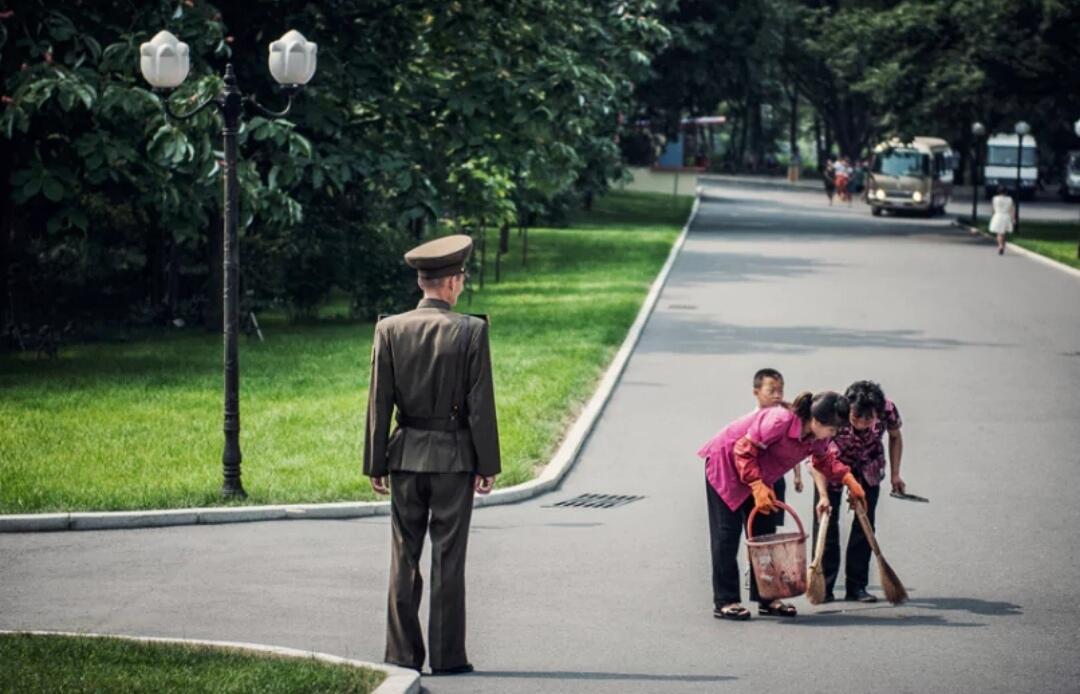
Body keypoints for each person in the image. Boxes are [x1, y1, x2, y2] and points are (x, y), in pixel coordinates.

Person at [364, 234, 501, 676]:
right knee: (448, 558)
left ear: (423, 282)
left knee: (404, 556)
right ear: (452, 282)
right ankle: (447, 657)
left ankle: (401, 656)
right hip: (454, 460)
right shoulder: (472, 331)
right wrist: (487, 465)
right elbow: (481, 405)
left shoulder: (389, 329)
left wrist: (374, 462)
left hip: (404, 457)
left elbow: (378, 400)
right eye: (461, 277)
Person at [698, 392, 866, 621]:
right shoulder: (780, 420)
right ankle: (726, 600)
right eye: (832, 429)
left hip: (761, 475)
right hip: (727, 467)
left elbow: (823, 460)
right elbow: (743, 450)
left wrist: (848, 479)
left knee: (765, 536)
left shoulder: (818, 437)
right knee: (726, 536)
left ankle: (768, 597)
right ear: (816, 420)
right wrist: (756, 484)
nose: (834, 434)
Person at [809, 381, 904, 603]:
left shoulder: (887, 409)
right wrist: (823, 495)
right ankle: (826, 586)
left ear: (877, 413)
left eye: (868, 419)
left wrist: (895, 474)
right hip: (832, 463)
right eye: (856, 418)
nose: (861, 424)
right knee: (827, 523)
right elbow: (815, 458)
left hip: (869, 463)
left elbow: (896, 436)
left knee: (865, 525)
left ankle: (857, 587)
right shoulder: (835, 413)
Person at [751, 368, 804, 526]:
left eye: (780, 391)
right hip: (756, 477)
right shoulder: (753, 419)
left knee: (770, 526)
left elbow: (794, 449)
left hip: (776, 477)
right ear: (756, 392)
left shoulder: (785, 418)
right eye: (771, 391)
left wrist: (797, 476)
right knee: (754, 523)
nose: (777, 395)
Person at [989, 184, 1016, 255]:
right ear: (1006, 192)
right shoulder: (1010, 199)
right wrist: (1013, 219)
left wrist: (992, 216)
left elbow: (992, 209)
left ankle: (1000, 246)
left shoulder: (995, 198)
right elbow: (1012, 210)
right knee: (1003, 233)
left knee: (999, 233)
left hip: (997, 216)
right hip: (1006, 216)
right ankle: (1003, 246)